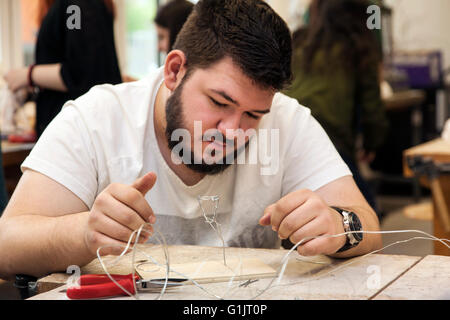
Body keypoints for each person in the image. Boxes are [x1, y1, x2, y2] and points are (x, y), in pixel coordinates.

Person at [0, 0, 382, 279]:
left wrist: (339, 226)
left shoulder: (287, 120)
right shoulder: (98, 119)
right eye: (219, 102)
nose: (233, 131)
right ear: (175, 69)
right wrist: (84, 233)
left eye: (252, 115)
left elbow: (369, 226)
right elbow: (7, 245)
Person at [284, 0, 388, 213]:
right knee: (364, 214)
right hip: (330, 138)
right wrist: (372, 144)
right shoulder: (359, 47)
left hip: (286, 133)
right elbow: (372, 108)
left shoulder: (299, 40)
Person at [4, 0, 122, 138]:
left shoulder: (75, 6)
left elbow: (78, 72)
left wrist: (28, 75)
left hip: (79, 133)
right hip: (79, 128)